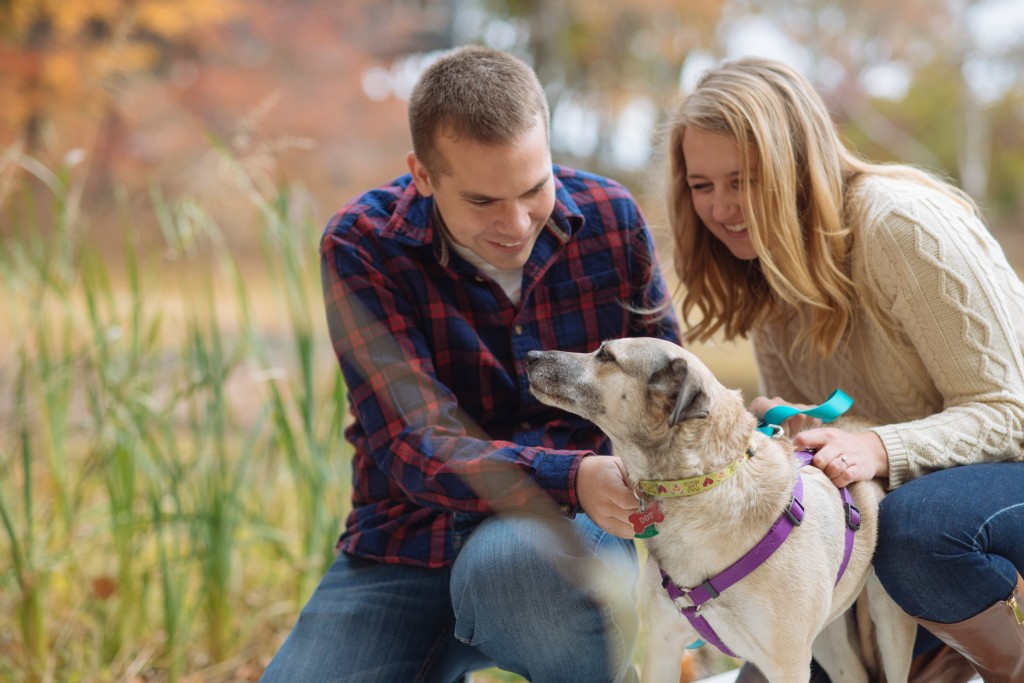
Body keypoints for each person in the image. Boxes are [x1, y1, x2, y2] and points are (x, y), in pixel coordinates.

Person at [260, 45, 681, 683]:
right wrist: (570, 476)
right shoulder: (361, 244)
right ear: (423, 175)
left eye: (534, 188)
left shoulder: (612, 218)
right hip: (410, 541)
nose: (516, 223)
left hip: (558, 544)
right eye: (483, 201)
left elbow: (665, 395)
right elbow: (415, 443)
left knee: (522, 570)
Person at [664, 56, 1024, 682]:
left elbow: (1009, 412)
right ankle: (931, 650)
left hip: (985, 484)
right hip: (907, 501)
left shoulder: (900, 225)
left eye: (744, 180)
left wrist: (877, 446)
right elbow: (826, 443)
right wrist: (777, 433)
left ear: (796, 165)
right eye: (702, 185)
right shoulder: (764, 266)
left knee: (921, 529)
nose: (721, 208)